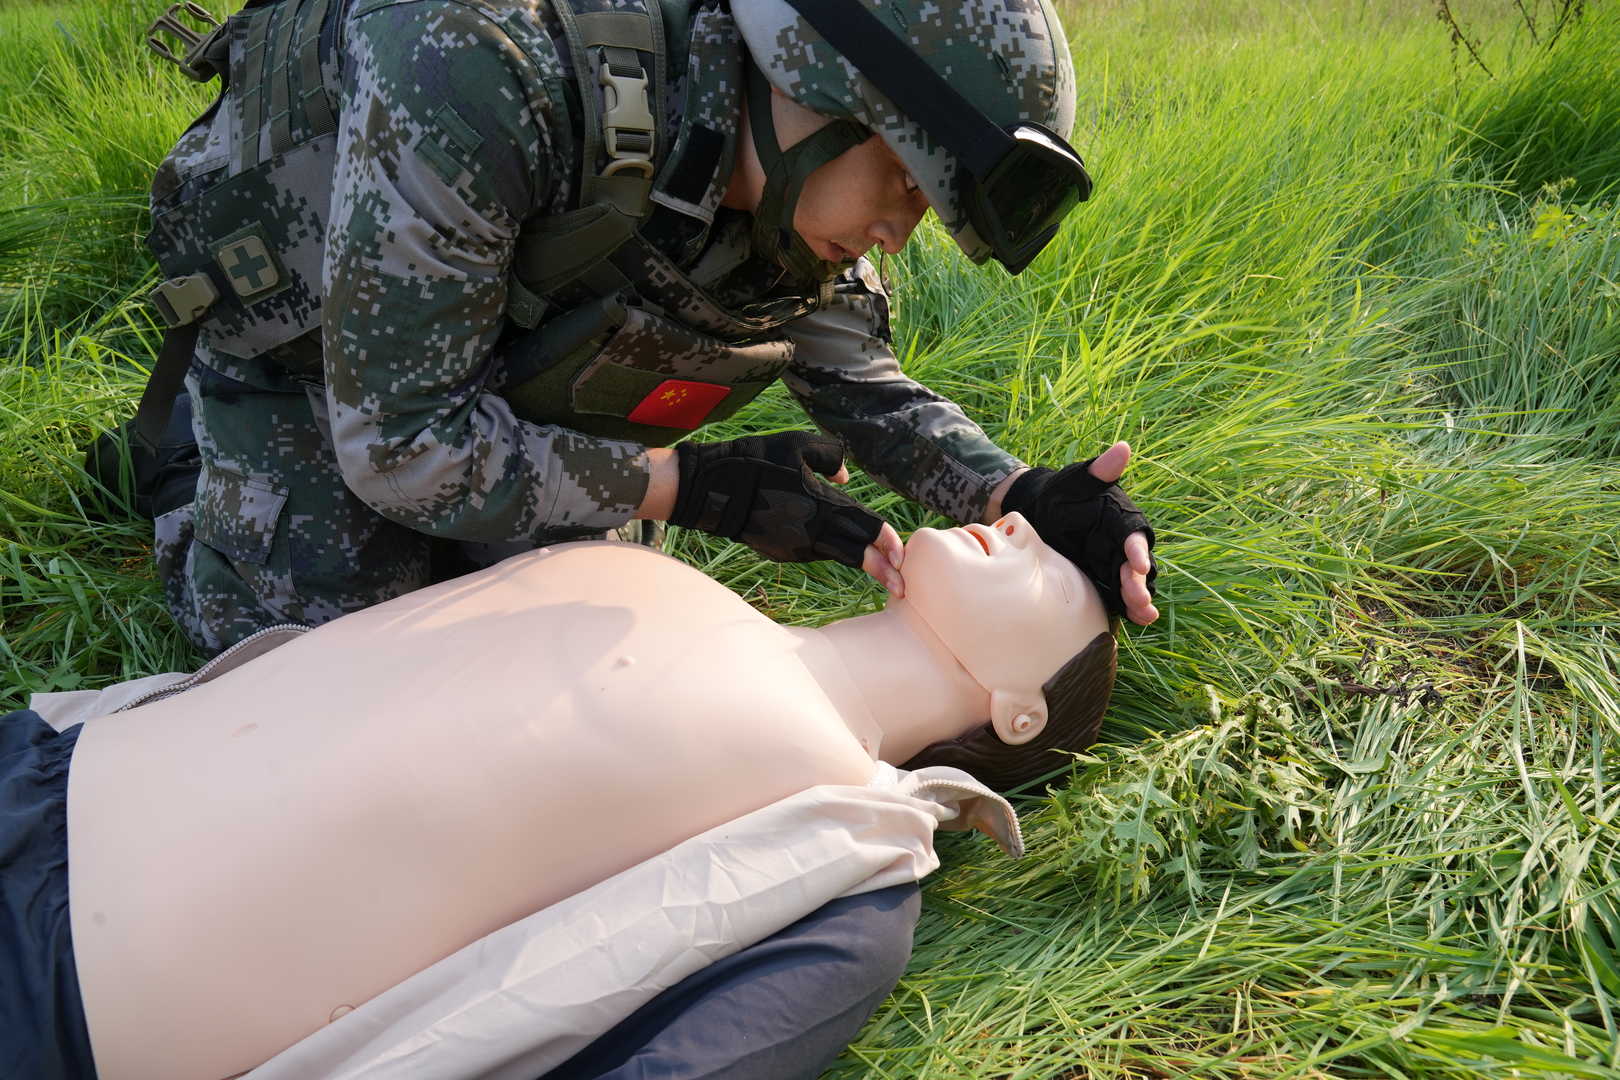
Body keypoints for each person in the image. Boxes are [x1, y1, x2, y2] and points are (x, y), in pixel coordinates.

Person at [134, 0, 1159, 660]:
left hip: (501, 357)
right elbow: (400, 446)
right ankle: (190, 465)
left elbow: (854, 373)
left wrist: (1018, 495)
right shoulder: (481, 61)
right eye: (904, 183)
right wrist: (690, 485)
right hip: (313, 353)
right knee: (331, 662)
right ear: (810, 89)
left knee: (562, 644)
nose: (899, 233)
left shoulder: (784, 172)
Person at [2, 513, 1117, 1080]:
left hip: (64, 1002)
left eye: (1051, 572)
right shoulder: (666, 568)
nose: (1020, 528)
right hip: (50, 762)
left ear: (1020, 714)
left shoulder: (853, 873)